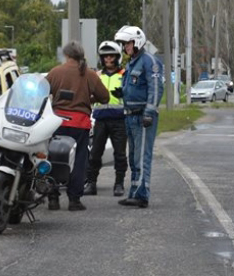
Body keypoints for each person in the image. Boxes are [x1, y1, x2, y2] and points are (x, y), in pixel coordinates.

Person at [46, 41, 110, 211]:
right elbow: (105, 97)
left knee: (52, 157)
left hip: (57, 122)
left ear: (66, 55)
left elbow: (40, 92)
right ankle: (74, 200)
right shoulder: (89, 74)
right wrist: (88, 99)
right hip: (79, 124)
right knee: (78, 161)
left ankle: (53, 197)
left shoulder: (55, 72)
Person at [114, 25, 163, 208]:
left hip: (143, 116)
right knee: (133, 157)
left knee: (142, 157)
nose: (126, 47)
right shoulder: (132, 62)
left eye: (128, 43)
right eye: (124, 44)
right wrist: (123, 93)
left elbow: (156, 87)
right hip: (130, 115)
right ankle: (134, 191)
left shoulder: (149, 61)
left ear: (137, 41)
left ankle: (142, 194)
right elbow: (135, 86)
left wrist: (149, 112)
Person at [84, 41, 128, 197]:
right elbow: (88, 95)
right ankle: (91, 183)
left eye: (111, 56)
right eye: (105, 56)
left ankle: (119, 184)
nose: (108, 59)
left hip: (120, 120)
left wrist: (124, 94)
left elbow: (132, 94)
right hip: (100, 120)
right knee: (95, 153)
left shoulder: (125, 74)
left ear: (117, 57)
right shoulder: (97, 76)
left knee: (120, 154)